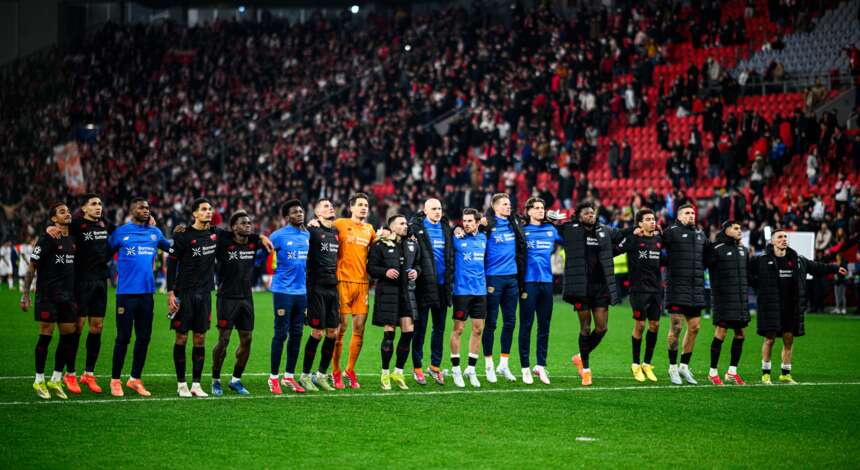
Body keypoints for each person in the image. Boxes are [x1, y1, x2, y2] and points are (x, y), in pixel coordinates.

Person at [750, 228, 846, 384]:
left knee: (789, 339)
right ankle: (766, 374)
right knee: (769, 339)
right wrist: (757, 286)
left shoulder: (797, 260)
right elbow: (746, 273)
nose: (783, 239)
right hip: (771, 306)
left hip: (791, 306)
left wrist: (834, 268)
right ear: (772, 241)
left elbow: (816, 267)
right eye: (780, 237)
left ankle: (785, 374)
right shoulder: (762, 260)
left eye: (785, 237)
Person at [46, 194, 115, 394]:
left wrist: (149, 222)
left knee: (97, 326)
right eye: (93, 204)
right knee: (78, 327)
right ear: (84, 208)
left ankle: (89, 374)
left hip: (101, 281)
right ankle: (70, 374)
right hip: (80, 282)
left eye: (100, 204)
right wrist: (49, 228)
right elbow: (60, 229)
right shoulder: (76, 225)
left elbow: (121, 233)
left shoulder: (104, 224)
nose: (98, 207)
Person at [556, 201, 626, 386]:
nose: (590, 215)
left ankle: (580, 356)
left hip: (600, 286)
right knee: (585, 328)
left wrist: (615, 251)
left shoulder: (605, 231)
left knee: (602, 328)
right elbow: (552, 226)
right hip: (581, 287)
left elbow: (624, 238)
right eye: (586, 213)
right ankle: (586, 369)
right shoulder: (571, 229)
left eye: (592, 213)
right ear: (579, 215)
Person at [107, 197, 172, 397]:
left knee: (144, 338)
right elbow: (103, 256)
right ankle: (115, 380)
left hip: (147, 295)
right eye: (141, 207)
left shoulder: (155, 233)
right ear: (131, 209)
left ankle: (135, 379)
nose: (146, 210)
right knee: (123, 337)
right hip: (126, 294)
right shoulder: (120, 233)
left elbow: (173, 249)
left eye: (147, 207)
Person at [316, 193, 376, 389]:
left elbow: (377, 250)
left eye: (366, 205)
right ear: (351, 208)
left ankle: (350, 370)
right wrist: (314, 223)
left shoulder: (370, 229)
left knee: (359, 329)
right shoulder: (339, 224)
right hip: (342, 282)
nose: (363, 208)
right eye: (360, 205)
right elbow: (322, 229)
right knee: (341, 329)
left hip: (362, 284)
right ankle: (335, 372)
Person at [210, 210, 272, 396]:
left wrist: (262, 236)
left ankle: (236, 380)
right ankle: (215, 380)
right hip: (226, 298)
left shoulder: (253, 241)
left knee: (247, 339)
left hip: (246, 298)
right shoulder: (223, 239)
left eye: (249, 222)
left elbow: (260, 237)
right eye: (243, 223)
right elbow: (206, 228)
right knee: (224, 340)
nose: (248, 225)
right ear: (234, 227)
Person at [20, 202, 77, 399]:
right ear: (54, 219)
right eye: (62, 212)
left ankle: (56, 378)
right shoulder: (47, 239)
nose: (67, 214)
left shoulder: (72, 238)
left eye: (68, 211)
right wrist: (25, 294)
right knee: (46, 335)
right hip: (47, 295)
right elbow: (31, 267)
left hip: (68, 297)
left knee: (69, 336)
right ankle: (38, 379)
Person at [167, 198, 218, 398]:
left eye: (210, 209)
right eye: (204, 209)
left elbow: (239, 235)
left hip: (204, 295)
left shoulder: (215, 234)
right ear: (194, 214)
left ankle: (196, 384)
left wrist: (262, 238)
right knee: (181, 337)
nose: (208, 212)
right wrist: (171, 292)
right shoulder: (183, 236)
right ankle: (181, 384)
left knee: (200, 338)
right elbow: (171, 265)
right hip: (184, 294)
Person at [367, 214, 421, 390]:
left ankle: (398, 371)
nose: (405, 226)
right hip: (388, 293)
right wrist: (385, 272)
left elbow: (418, 263)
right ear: (392, 227)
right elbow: (371, 268)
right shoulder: (380, 245)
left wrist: (416, 272)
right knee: (389, 332)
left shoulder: (411, 244)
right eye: (402, 223)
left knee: (408, 332)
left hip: (407, 293)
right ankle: (384, 373)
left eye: (406, 223)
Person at [482, 193, 526, 383]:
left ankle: (504, 364)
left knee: (510, 322)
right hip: (493, 278)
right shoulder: (487, 225)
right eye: (505, 204)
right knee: (491, 323)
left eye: (510, 203)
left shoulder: (514, 223)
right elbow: (466, 228)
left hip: (512, 279)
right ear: (494, 206)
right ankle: (489, 365)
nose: (509, 206)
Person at [663, 203, 709, 385]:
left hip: (695, 288)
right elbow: (657, 247)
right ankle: (672, 367)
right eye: (687, 213)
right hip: (676, 287)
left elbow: (709, 255)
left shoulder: (700, 234)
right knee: (676, 328)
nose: (691, 216)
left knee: (695, 327)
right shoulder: (671, 231)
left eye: (693, 213)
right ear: (680, 216)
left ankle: (684, 366)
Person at [409, 198, 453, 385]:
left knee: (439, 328)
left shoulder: (446, 229)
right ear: (425, 211)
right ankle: (417, 367)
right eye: (434, 209)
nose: (437, 211)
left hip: (443, 286)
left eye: (440, 208)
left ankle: (435, 367)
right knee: (420, 328)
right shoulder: (415, 229)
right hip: (423, 286)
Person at [268, 200, 310, 394]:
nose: (299, 214)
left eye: (301, 211)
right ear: (287, 217)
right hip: (283, 291)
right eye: (295, 212)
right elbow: (261, 254)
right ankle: (273, 378)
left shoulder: (307, 235)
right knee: (281, 334)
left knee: (297, 334)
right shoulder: (277, 236)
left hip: (301, 292)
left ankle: (289, 377)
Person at [519, 197, 562, 384]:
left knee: (544, 326)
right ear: (528, 211)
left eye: (542, 207)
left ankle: (540, 366)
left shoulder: (551, 230)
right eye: (536, 208)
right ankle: (525, 367)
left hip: (546, 282)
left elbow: (569, 239)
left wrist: (560, 222)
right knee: (526, 325)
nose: (540, 210)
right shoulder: (522, 231)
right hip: (528, 283)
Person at [298, 199, 340, 392]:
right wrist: (308, 225)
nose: (330, 207)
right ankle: (305, 376)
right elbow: (299, 237)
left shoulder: (336, 233)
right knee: (317, 332)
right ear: (316, 214)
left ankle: (321, 375)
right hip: (316, 287)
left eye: (331, 205)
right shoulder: (312, 231)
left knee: (333, 333)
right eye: (325, 206)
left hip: (333, 287)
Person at [617, 208, 662, 383]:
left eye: (654, 218)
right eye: (648, 219)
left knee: (655, 325)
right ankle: (635, 364)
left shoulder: (659, 240)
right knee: (641, 325)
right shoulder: (633, 240)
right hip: (638, 290)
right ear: (640, 223)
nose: (653, 221)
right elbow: (615, 249)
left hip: (656, 290)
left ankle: (647, 363)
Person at [704, 221, 750, 385]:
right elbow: (705, 263)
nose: (739, 231)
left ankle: (732, 371)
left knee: (740, 335)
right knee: (721, 333)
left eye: (740, 229)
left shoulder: (744, 250)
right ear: (726, 230)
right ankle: (713, 372)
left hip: (739, 300)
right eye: (736, 228)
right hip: (723, 299)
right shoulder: (716, 249)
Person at [449, 209, 487, 388]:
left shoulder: (484, 238)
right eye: (464, 221)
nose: (466, 224)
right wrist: (455, 228)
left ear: (478, 222)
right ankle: (456, 370)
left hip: (480, 291)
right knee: (458, 329)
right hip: (462, 291)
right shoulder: (457, 239)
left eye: (470, 221)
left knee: (478, 330)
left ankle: (471, 370)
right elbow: (447, 229)